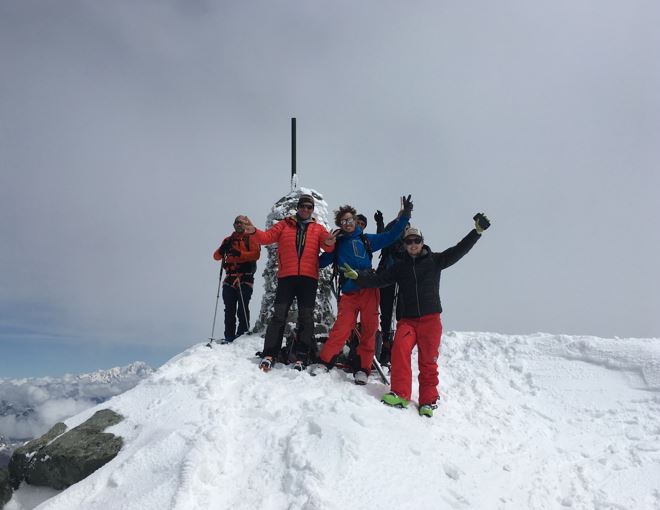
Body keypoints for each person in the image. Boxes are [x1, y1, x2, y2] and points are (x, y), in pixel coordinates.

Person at [341, 213, 491, 417]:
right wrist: (359, 277)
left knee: (428, 361)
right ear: (404, 244)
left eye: (416, 240)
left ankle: (428, 401)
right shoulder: (399, 267)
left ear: (422, 242)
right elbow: (379, 279)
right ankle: (401, 394)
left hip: (431, 320)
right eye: (408, 241)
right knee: (400, 351)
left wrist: (477, 232)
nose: (412, 244)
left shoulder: (435, 260)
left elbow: (458, 251)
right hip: (408, 321)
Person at [311, 196, 413, 385]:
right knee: (341, 328)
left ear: (355, 219)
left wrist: (405, 216)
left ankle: (363, 369)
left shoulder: (366, 240)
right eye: (343, 221)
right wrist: (328, 245)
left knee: (369, 329)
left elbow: (390, 236)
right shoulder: (338, 242)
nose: (347, 223)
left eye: (350, 220)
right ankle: (325, 362)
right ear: (340, 224)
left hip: (368, 290)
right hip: (349, 292)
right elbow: (321, 262)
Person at [242, 194, 336, 372]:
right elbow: (267, 238)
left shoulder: (318, 229)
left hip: (309, 279)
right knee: (279, 316)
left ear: (312, 210)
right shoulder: (284, 224)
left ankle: (302, 356)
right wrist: (253, 231)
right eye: (303, 206)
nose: (306, 210)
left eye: (309, 207)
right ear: (298, 207)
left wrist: (330, 243)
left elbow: (328, 246)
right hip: (287, 277)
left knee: (306, 318)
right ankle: (270, 353)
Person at [213, 216, 261, 343]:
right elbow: (216, 257)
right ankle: (229, 336)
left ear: (246, 225)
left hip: (245, 276)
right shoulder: (228, 240)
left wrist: (239, 254)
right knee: (229, 309)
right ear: (234, 224)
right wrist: (222, 250)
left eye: (242, 223)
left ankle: (242, 334)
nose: (239, 224)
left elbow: (256, 254)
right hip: (230, 277)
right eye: (237, 222)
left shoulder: (250, 238)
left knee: (242, 307)